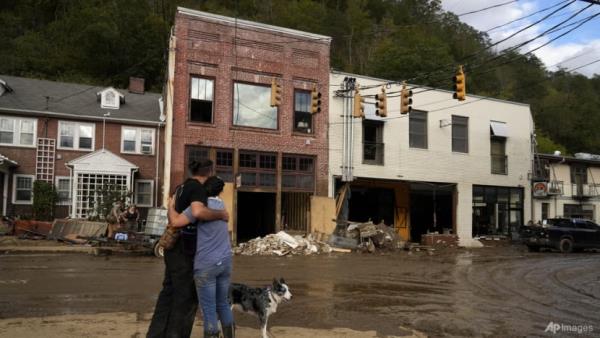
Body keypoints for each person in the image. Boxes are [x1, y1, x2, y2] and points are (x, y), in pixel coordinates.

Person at [147, 159, 228, 338]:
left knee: (168, 294)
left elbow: (173, 217)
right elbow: (198, 212)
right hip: (185, 251)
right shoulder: (197, 189)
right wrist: (221, 214)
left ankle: (156, 334)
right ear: (208, 171)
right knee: (186, 298)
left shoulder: (181, 187)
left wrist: (170, 207)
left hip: (172, 249)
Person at [168, 176, 234, 338]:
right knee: (223, 304)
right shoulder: (222, 207)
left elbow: (175, 222)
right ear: (220, 191)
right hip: (225, 263)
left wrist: (170, 205)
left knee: (209, 308)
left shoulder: (198, 208)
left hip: (206, 265)